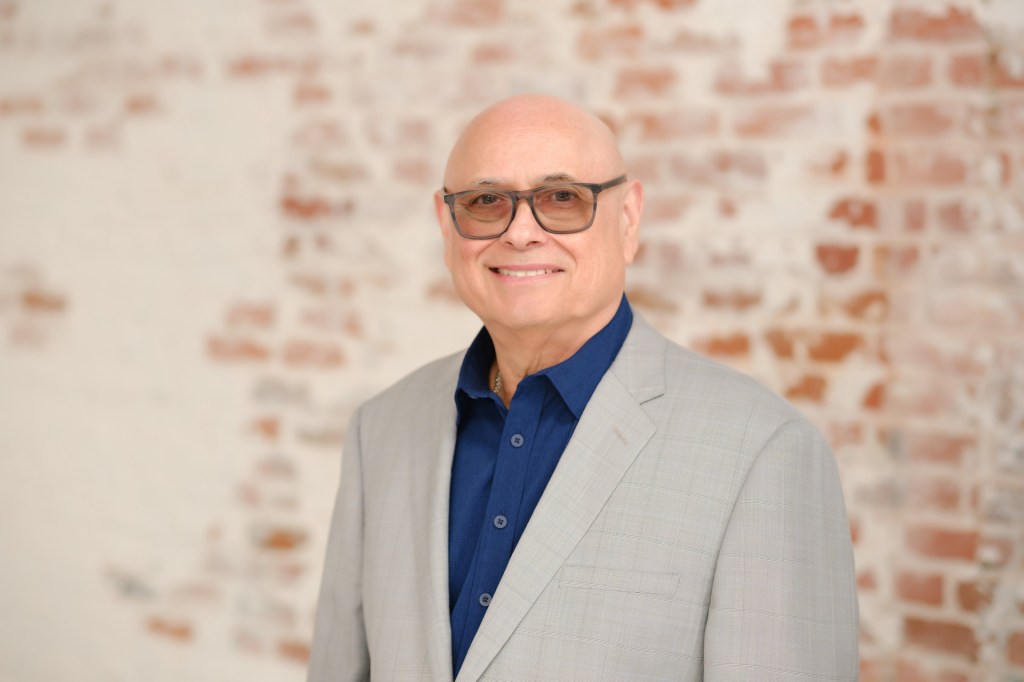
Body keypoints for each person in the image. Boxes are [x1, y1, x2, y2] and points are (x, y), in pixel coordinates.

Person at [307, 95, 859, 681]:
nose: (521, 233)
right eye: (486, 201)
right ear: (447, 226)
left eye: (562, 198)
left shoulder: (764, 452)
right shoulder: (381, 429)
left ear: (628, 220)